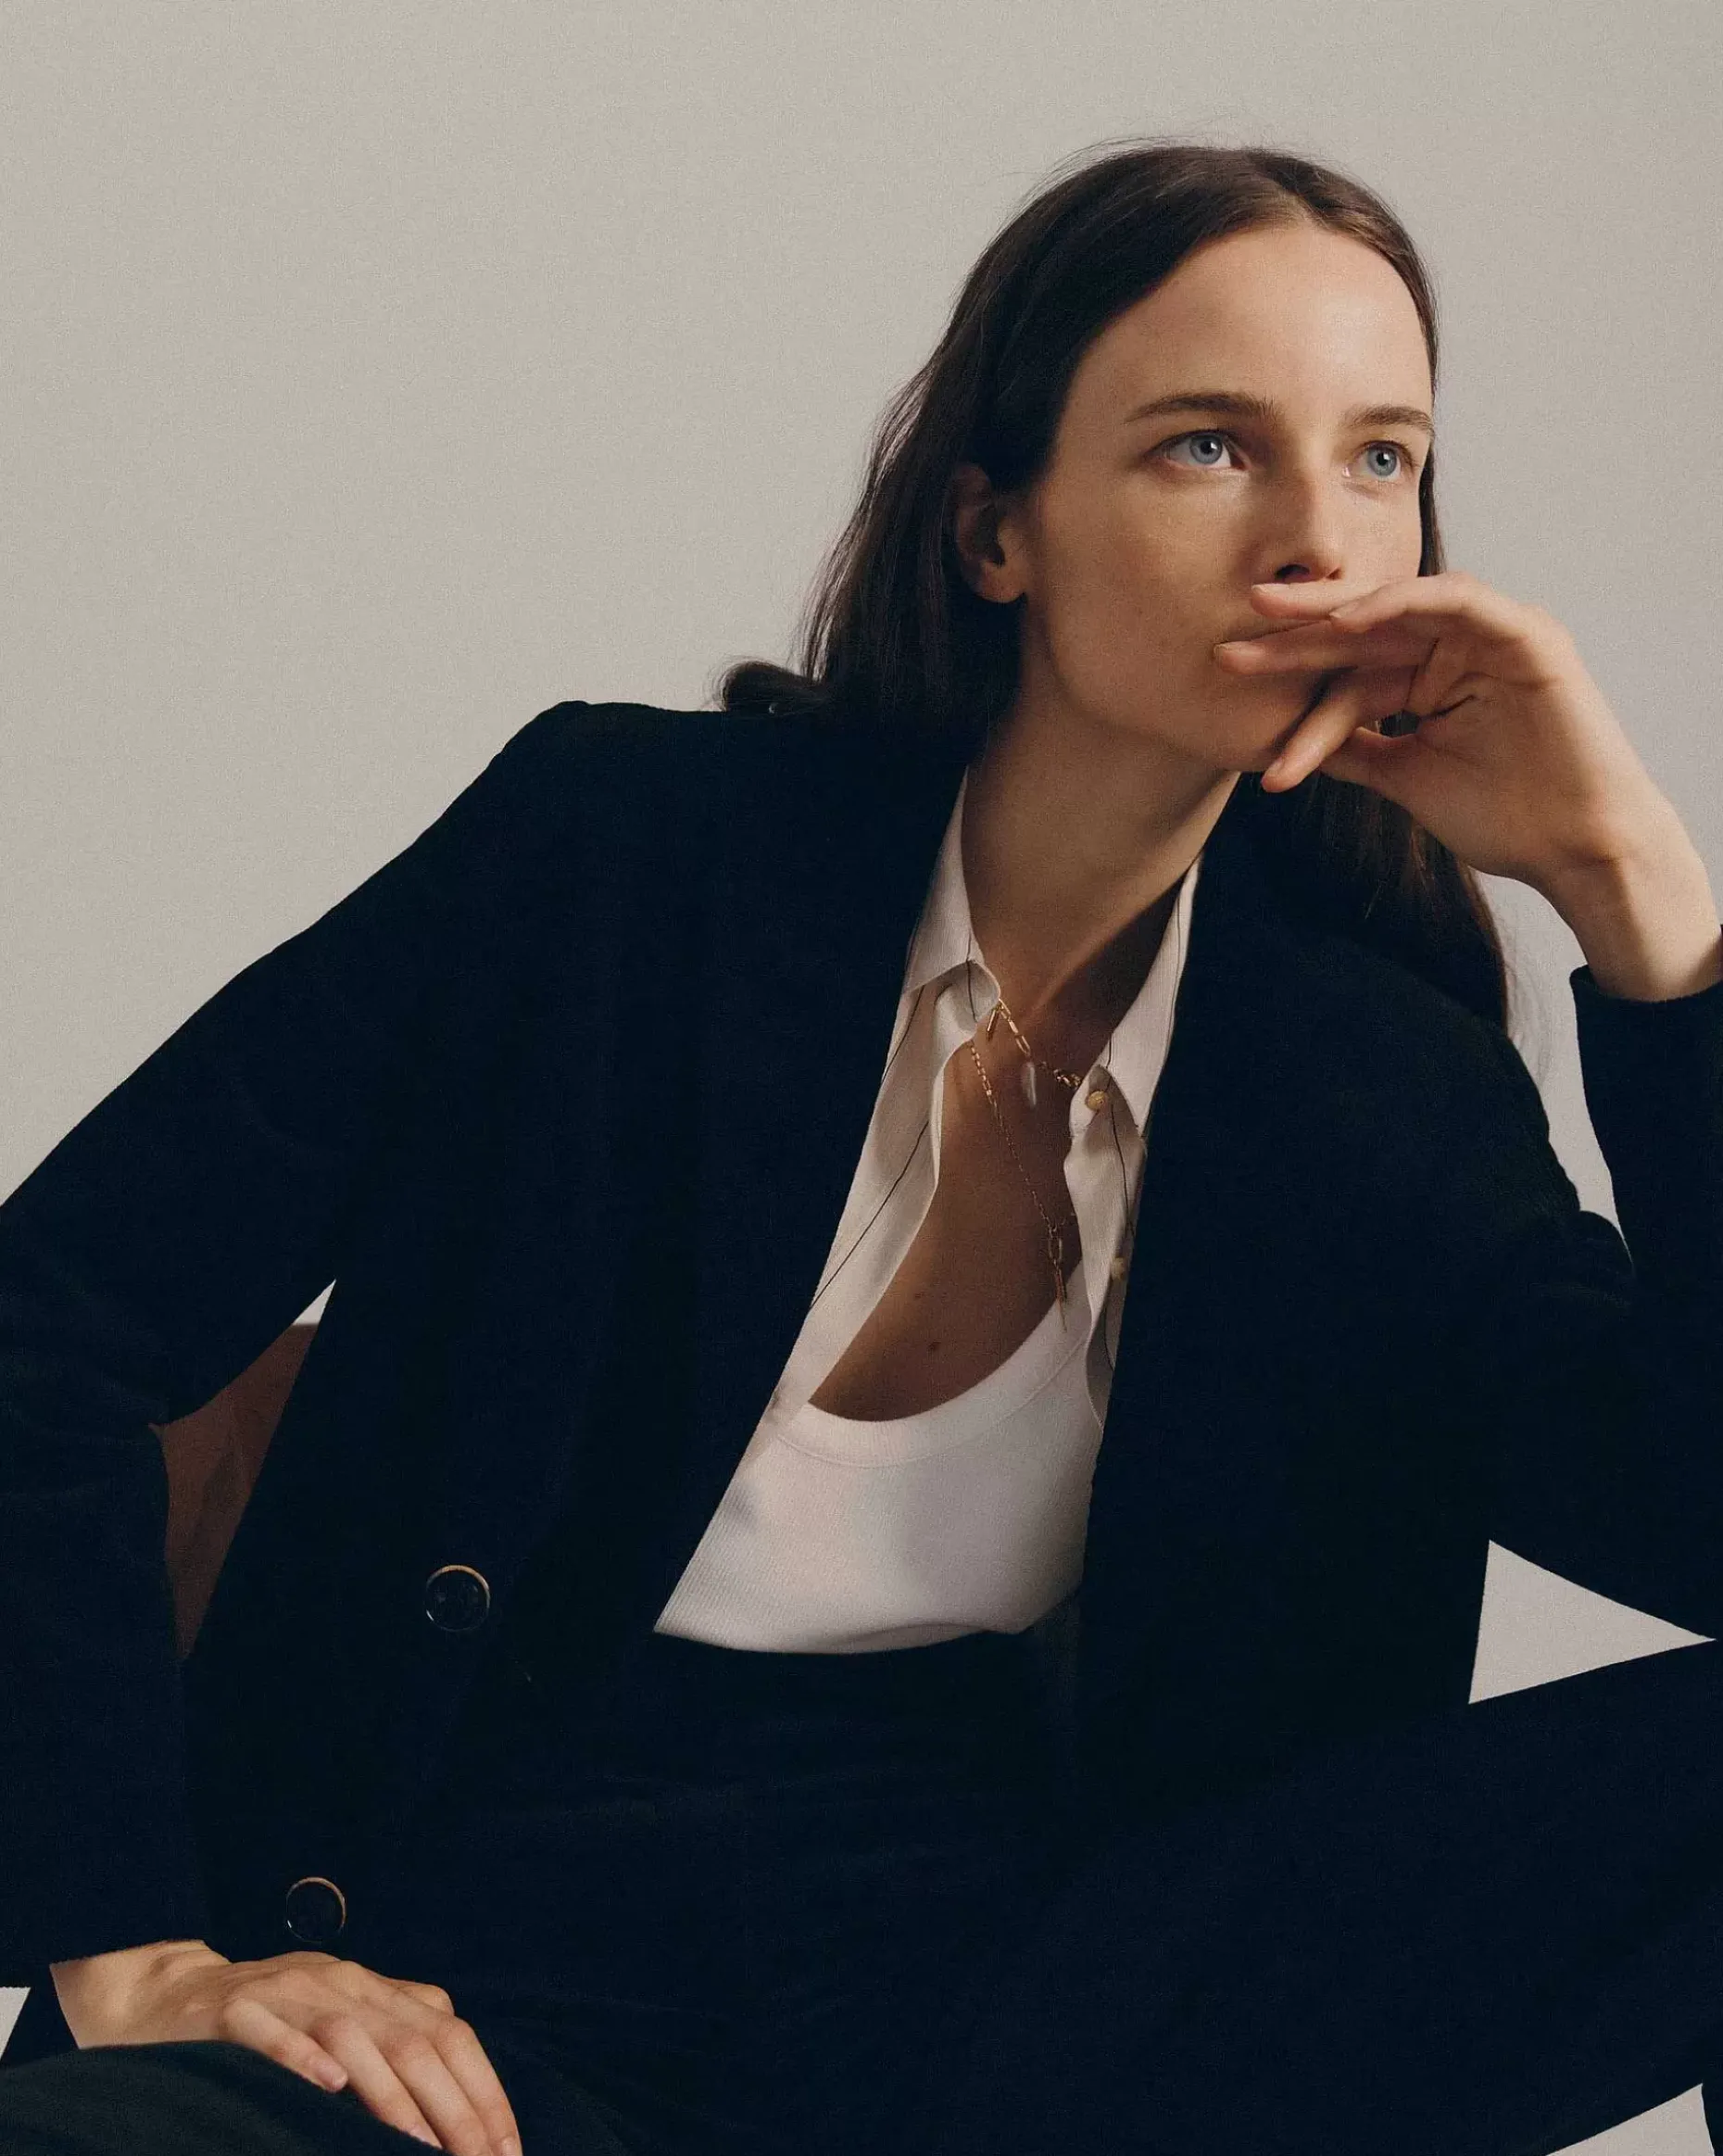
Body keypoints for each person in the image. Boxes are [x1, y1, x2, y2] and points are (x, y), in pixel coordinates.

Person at [3, 133, 1723, 2156]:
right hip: (464, 1992)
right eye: (1208, 446)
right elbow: (48, 1329)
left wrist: (1645, 910)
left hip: (1035, 2028)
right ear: (995, 530)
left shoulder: (1375, 1089)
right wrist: (134, 1948)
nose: (1314, 543)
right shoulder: (621, 862)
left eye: (1381, 459)